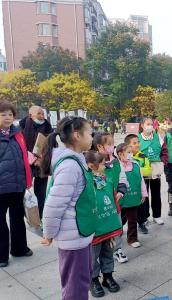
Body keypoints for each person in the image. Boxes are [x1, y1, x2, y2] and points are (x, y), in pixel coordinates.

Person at [40, 116, 96, 300]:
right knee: (75, 288)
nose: (92, 137)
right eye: (90, 133)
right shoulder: (70, 165)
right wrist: (48, 233)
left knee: (80, 282)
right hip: (73, 238)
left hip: (79, 234)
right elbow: (53, 205)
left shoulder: (77, 159)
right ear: (77, 135)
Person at [84, 151, 122, 298]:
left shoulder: (105, 178)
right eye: (102, 163)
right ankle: (93, 280)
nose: (105, 165)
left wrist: (116, 221)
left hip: (109, 225)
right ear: (92, 166)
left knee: (108, 252)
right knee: (93, 256)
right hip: (95, 228)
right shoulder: (85, 182)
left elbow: (112, 199)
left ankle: (108, 276)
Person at [0, 101, 33, 268]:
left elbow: (23, 158)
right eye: (3, 114)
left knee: (17, 217)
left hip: (17, 185)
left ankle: (19, 248)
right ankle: (1, 255)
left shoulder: (17, 133)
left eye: (10, 114)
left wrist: (28, 180)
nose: (7, 117)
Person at [92, 132, 129, 264]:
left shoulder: (115, 161)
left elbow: (122, 177)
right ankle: (100, 253)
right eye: (109, 144)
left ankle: (117, 249)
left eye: (113, 144)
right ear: (100, 147)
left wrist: (121, 190)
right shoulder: (93, 163)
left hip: (115, 202)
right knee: (104, 229)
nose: (112, 146)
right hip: (101, 205)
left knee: (117, 225)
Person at [19, 105, 53, 218]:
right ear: (30, 115)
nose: (42, 116)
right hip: (25, 163)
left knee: (41, 193)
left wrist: (42, 158)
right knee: (23, 190)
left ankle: (41, 215)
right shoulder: (21, 127)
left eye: (43, 113)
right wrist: (28, 157)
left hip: (41, 164)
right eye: (39, 113)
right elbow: (18, 145)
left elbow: (52, 146)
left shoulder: (48, 128)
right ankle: (26, 215)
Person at [137, 118, 168, 232]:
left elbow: (164, 150)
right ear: (142, 125)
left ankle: (157, 216)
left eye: (151, 124)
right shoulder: (138, 138)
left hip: (155, 169)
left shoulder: (157, 137)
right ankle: (144, 217)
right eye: (147, 124)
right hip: (142, 170)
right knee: (144, 195)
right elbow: (132, 152)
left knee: (156, 193)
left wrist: (163, 161)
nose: (150, 126)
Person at [116, 143, 147, 248]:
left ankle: (132, 238)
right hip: (120, 199)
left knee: (132, 219)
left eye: (131, 152)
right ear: (120, 154)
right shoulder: (116, 166)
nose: (130, 155)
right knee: (119, 220)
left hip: (134, 198)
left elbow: (141, 180)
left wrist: (143, 193)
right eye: (128, 152)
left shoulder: (135, 164)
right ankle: (117, 236)